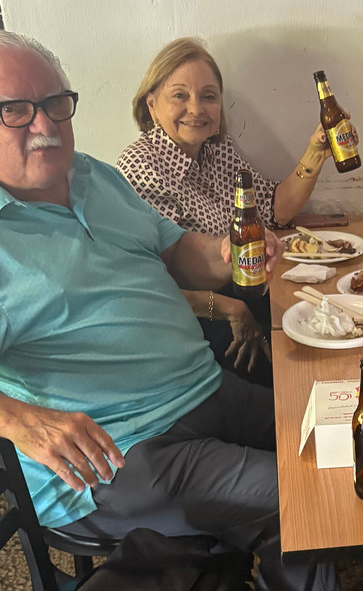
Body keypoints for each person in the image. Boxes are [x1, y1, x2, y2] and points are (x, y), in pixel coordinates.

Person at [0, 30, 363, 591]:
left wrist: (228, 255)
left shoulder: (93, 176)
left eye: (56, 103)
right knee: (300, 492)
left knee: (342, 428)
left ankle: (297, 573)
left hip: (202, 388)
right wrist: (22, 421)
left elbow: (174, 251)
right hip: (116, 453)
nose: (45, 126)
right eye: (14, 110)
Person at [117, 37, 334, 383]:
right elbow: (156, 282)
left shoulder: (216, 150)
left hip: (243, 290)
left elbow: (274, 209)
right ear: (152, 104)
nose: (196, 109)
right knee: (297, 370)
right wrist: (232, 308)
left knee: (327, 318)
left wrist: (315, 152)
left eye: (208, 96)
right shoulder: (141, 166)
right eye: (180, 95)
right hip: (191, 321)